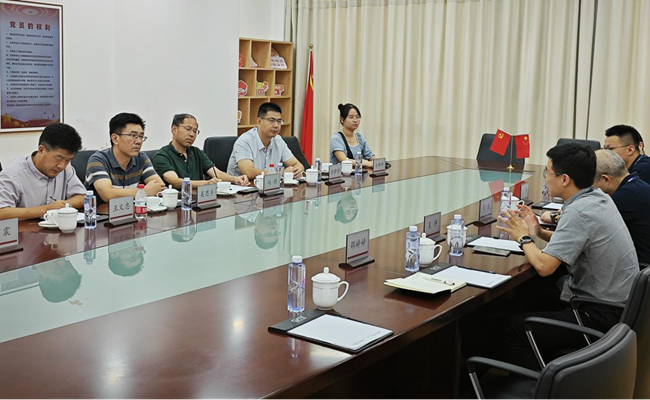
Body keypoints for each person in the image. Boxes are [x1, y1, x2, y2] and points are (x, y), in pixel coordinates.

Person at [497, 143, 638, 370]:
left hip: (599, 314)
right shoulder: (597, 198)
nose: (545, 177)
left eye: (547, 172)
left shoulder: (578, 212)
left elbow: (544, 267)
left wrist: (523, 237)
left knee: (513, 327)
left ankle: (545, 384)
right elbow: (580, 241)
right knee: (531, 295)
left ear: (564, 179)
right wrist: (539, 232)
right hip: (622, 305)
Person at [0, 123, 86, 220]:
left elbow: (82, 197)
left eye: (68, 160)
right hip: (24, 229)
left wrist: (61, 206)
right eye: (58, 158)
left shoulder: (66, 169)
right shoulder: (13, 174)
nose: (62, 166)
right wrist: (46, 209)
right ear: (41, 150)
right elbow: (2, 212)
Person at [85, 113, 165, 204]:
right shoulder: (98, 160)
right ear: (115, 139)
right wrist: (144, 192)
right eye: (133, 135)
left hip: (132, 211)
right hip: (104, 212)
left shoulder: (141, 158)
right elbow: (107, 195)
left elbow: (160, 187)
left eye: (141, 136)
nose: (139, 141)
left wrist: (147, 191)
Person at [153, 113, 248, 190]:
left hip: (200, 201)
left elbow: (217, 173)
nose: (192, 134)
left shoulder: (197, 152)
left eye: (195, 131)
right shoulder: (162, 156)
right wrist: (205, 183)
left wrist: (235, 179)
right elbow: (175, 181)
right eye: (188, 129)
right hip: (179, 202)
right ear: (174, 129)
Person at [592, 149, 650, 266]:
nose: (592, 187)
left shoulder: (623, 197)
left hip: (638, 268)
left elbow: (589, 228)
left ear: (605, 179)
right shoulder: (638, 186)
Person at [227, 103, 304, 180]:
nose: (276, 125)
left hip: (269, 185)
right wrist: (280, 173)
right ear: (259, 121)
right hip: (242, 186)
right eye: (271, 120)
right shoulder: (244, 141)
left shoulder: (278, 140)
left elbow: (298, 165)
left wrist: (296, 171)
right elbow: (248, 172)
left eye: (279, 121)